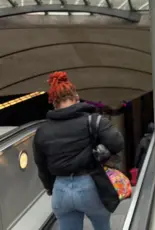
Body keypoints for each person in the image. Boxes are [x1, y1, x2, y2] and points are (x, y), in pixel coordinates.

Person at [33, 71, 124, 230]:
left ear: (54, 103)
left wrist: (50, 187)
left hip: (61, 189)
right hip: (90, 184)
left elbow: (41, 166)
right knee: (102, 225)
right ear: (76, 97)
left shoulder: (42, 131)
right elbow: (117, 143)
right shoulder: (93, 121)